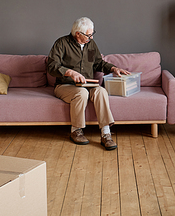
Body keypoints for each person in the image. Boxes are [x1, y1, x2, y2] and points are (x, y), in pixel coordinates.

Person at [47, 17, 130, 150]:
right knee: (81, 93)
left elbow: (98, 63)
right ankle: (76, 131)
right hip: (65, 85)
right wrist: (70, 73)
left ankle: (106, 133)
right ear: (77, 34)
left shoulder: (91, 44)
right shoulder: (61, 43)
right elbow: (52, 66)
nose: (90, 38)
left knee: (101, 91)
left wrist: (114, 68)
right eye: (88, 35)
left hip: (87, 84)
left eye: (92, 34)